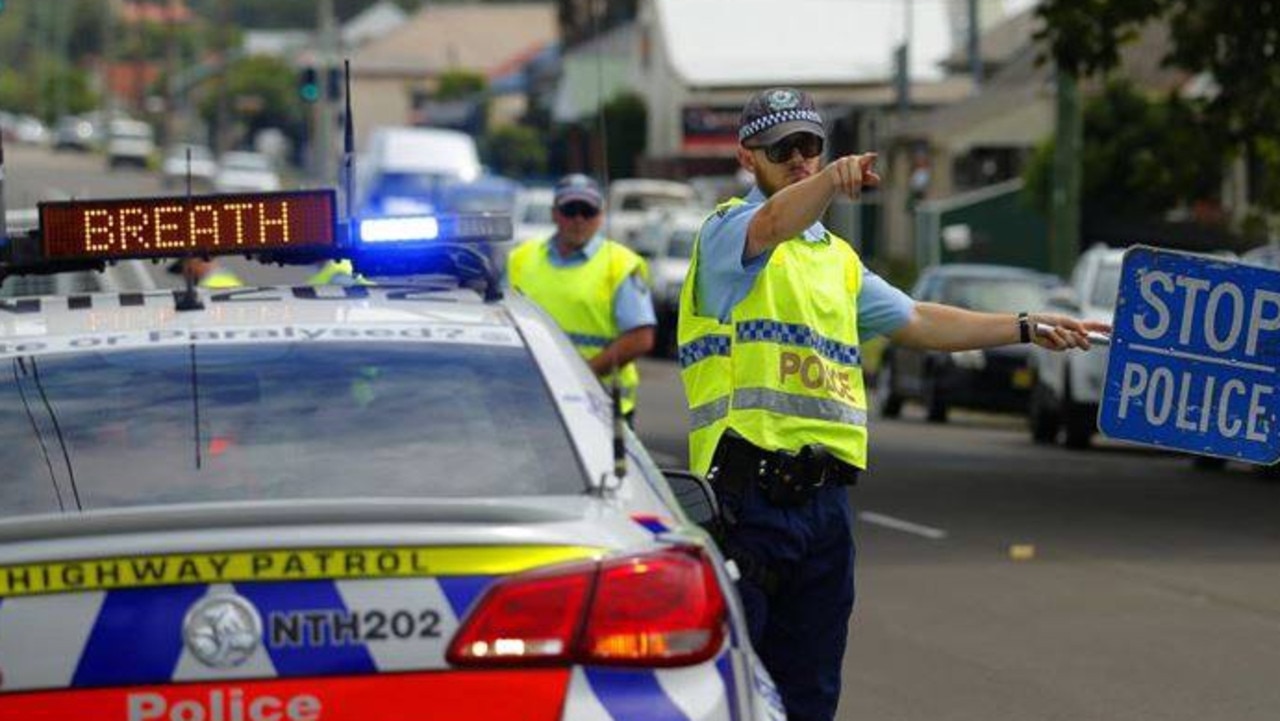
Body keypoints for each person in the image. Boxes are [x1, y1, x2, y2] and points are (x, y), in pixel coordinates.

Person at [677, 87, 1111, 721]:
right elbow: (771, 223)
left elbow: (919, 319)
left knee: (811, 697)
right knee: (733, 694)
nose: (800, 159)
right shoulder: (726, 233)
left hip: (825, 507)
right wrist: (827, 180)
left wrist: (1022, 326)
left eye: (811, 146)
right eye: (783, 149)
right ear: (749, 157)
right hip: (747, 502)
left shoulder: (837, 262)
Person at [508, 174, 656, 424]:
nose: (579, 219)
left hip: (600, 405)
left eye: (587, 211)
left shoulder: (619, 264)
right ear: (554, 213)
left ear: (600, 215)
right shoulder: (520, 258)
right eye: (570, 210)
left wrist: (581, 375)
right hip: (533, 400)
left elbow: (640, 338)